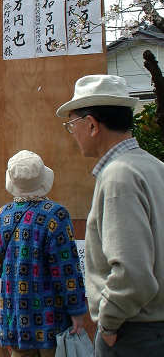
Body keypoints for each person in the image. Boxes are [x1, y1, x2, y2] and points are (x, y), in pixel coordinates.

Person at [57, 74, 164, 356]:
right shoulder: (154, 166)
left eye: (72, 124)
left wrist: (108, 324)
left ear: (92, 125)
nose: (72, 133)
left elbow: (133, 274)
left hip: (134, 333)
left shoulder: (119, 176)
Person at [0, 150, 87, 357]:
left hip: (15, 318)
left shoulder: (1, 217)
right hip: (51, 319)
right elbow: (67, 269)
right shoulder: (55, 215)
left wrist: (17, 275)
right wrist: (76, 310)